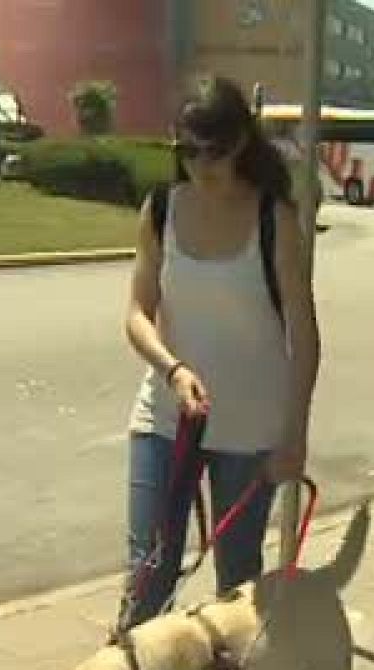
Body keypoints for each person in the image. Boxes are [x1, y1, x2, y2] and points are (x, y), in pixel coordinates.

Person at [118, 76, 321, 630]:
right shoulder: (161, 208)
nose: (199, 165)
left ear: (239, 145)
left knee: (237, 582)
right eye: (187, 151)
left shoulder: (272, 217)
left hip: (250, 432)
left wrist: (294, 434)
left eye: (212, 152)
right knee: (149, 573)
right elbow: (136, 315)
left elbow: (304, 334)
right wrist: (172, 368)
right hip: (166, 418)